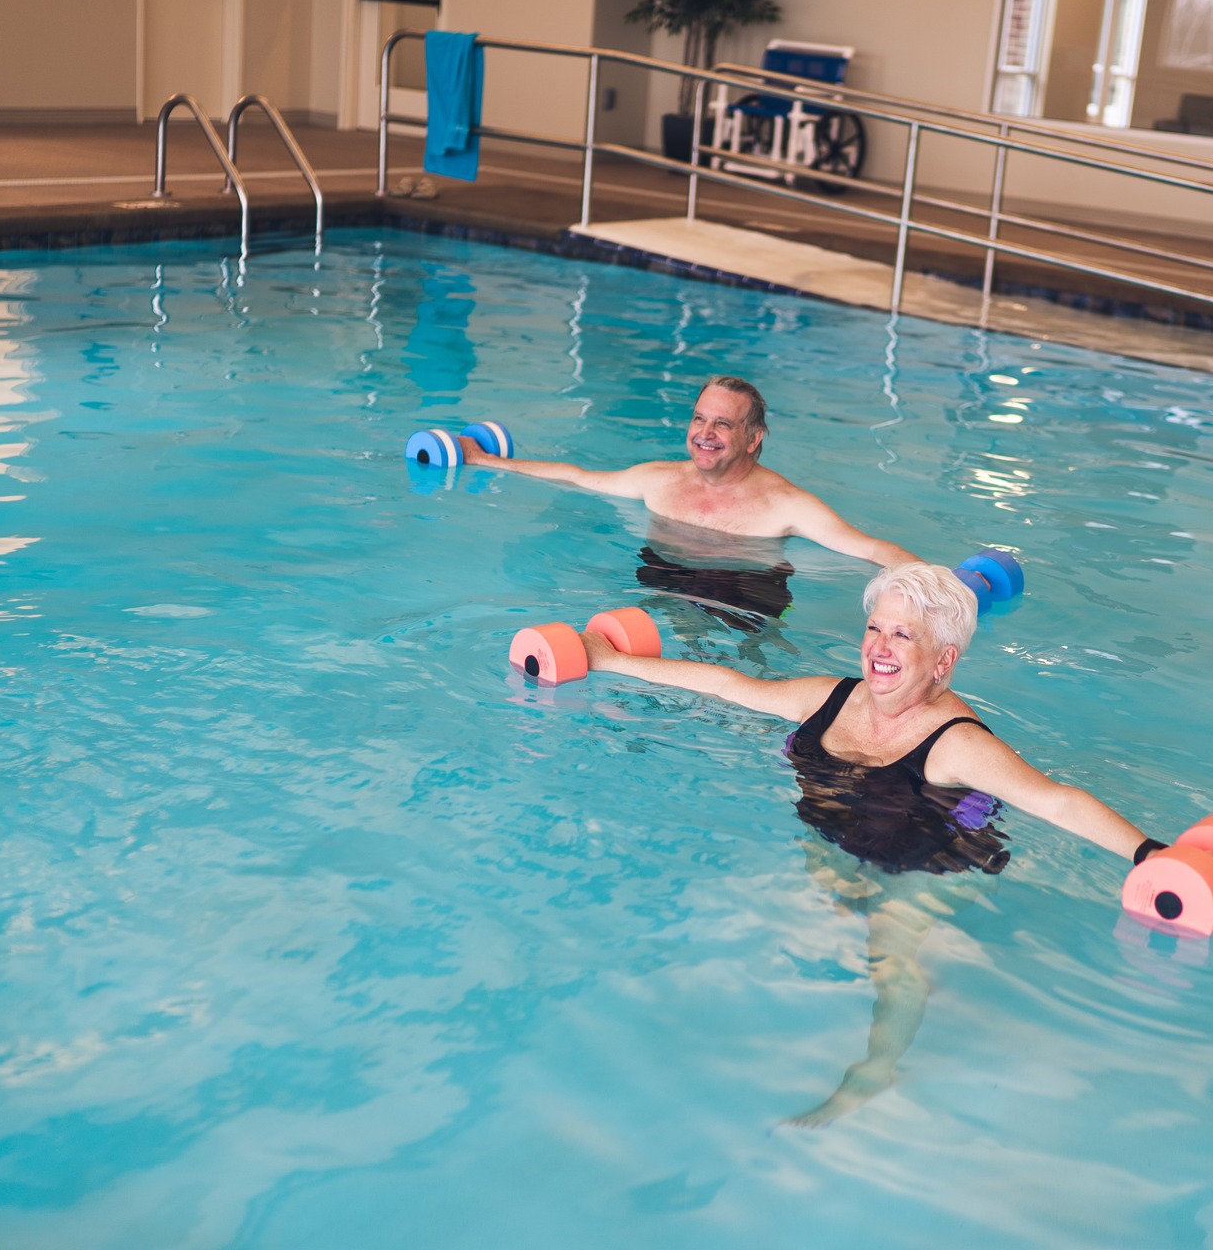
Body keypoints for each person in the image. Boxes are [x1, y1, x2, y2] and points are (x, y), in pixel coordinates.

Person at [577, 561, 1163, 1126]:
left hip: (937, 854)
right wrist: (611, 661)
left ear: (943, 660)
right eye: (875, 628)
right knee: (827, 895)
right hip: (849, 830)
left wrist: (1150, 855)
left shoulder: (958, 745)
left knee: (889, 947)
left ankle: (876, 1069)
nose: (880, 647)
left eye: (903, 635)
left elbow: (1057, 801)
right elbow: (731, 687)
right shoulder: (833, 699)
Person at [456, 376, 918, 569]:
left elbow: (869, 548)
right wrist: (486, 461)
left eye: (723, 423)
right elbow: (576, 476)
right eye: (699, 418)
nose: (705, 433)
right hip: (661, 581)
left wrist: (939, 583)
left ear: (754, 438)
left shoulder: (786, 505)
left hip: (745, 601)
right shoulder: (659, 478)